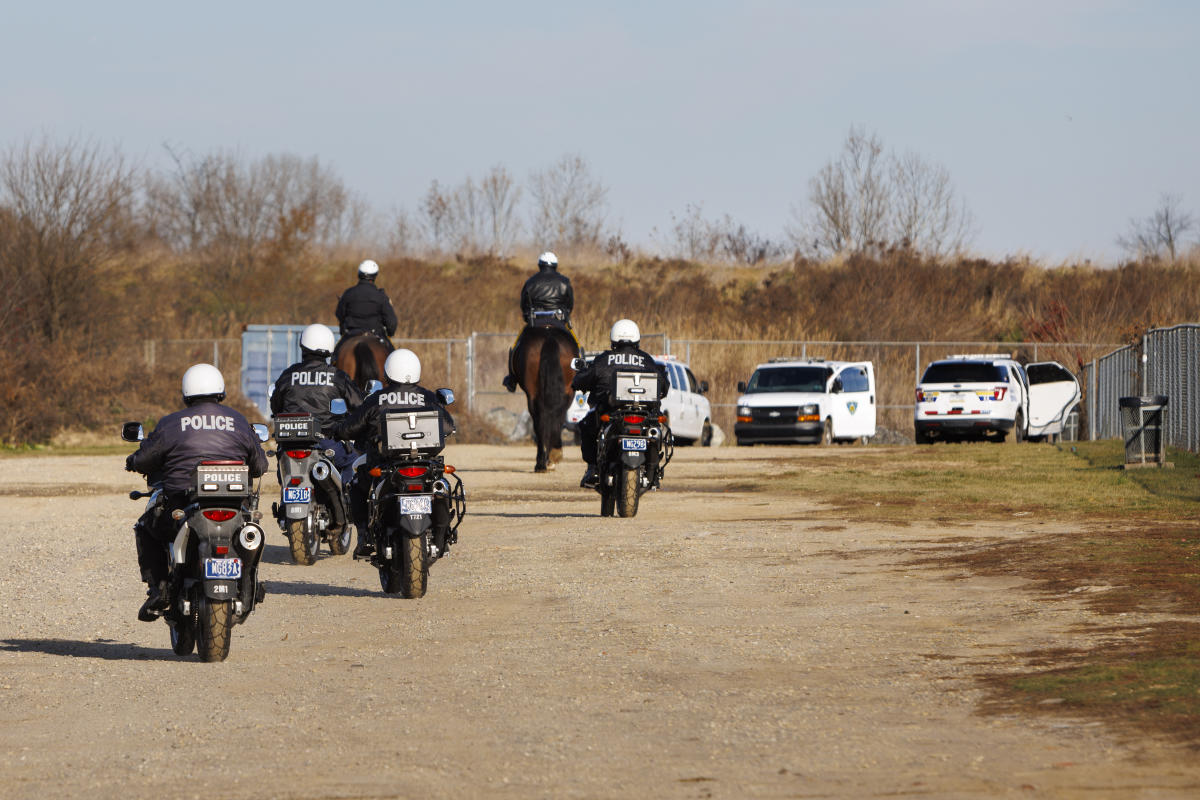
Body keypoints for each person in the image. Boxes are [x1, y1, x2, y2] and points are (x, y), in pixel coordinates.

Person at [125, 363, 269, 621]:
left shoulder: (171, 423)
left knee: (146, 526)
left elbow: (145, 459)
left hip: (183, 505)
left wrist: (132, 461)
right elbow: (260, 466)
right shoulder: (237, 420)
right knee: (251, 535)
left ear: (185, 393)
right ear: (221, 392)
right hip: (235, 506)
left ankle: (158, 589)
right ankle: (248, 587)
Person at [330, 349, 455, 557]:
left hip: (385, 464)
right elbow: (449, 426)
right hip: (424, 464)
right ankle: (443, 537)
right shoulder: (428, 397)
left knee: (357, 487)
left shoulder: (377, 399)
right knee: (442, 488)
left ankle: (363, 536)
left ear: (388, 372)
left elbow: (349, 429)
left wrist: (337, 429)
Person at [571, 319, 668, 489]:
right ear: (637, 340)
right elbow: (664, 386)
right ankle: (654, 471)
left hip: (612, 412)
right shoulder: (646, 360)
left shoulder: (604, 359)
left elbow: (582, 379)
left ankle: (593, 469)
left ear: (613, 339)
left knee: (586, 425)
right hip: (644, 413)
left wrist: (578, 380)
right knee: (656, 430)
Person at [270, 323, 364, 483]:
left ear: (302, 346)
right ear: (328, 348)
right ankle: (346, 504)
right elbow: (358, 406)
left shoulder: (288, 374)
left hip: (290, 443)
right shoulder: (337, 376)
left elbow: (276, 407)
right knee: (352, 462)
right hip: (326, 441)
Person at [502, 251, 577, 392]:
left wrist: (527, 317)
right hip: (559, 321)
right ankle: (580, 371)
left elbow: (523, 304)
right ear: (555, 265)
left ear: (540, 265)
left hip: (535, 322)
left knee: (516, 347)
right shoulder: (564, 282)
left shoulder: (530, 282)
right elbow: (570, 304)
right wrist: (565, 316)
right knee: (576, 345)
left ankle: (512, 378)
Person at [335, 259, 398, 349]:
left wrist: (343, 330)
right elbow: (391, 322)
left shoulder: (348, 293)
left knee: (336, 356)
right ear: (375, 276)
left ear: (359, 274)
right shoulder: (381, 296)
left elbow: (339, 314)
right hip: (376, 333)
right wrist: (390, 333)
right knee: (392, 357)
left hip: (351, 333)